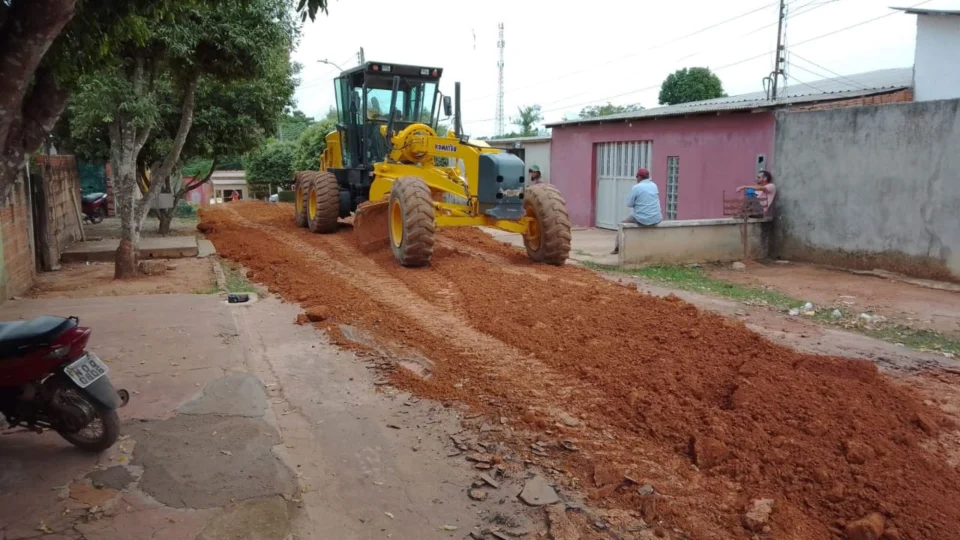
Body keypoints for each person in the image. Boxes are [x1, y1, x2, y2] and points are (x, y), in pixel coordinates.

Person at [611, 168, 662, 255]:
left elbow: (629, 204)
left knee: (622, 224)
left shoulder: (636, 187)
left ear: (640, 177)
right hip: (656, 218)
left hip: (642, 218)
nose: (636, 178)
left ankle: (617, 248)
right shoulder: (654, 185)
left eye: (636, 176)